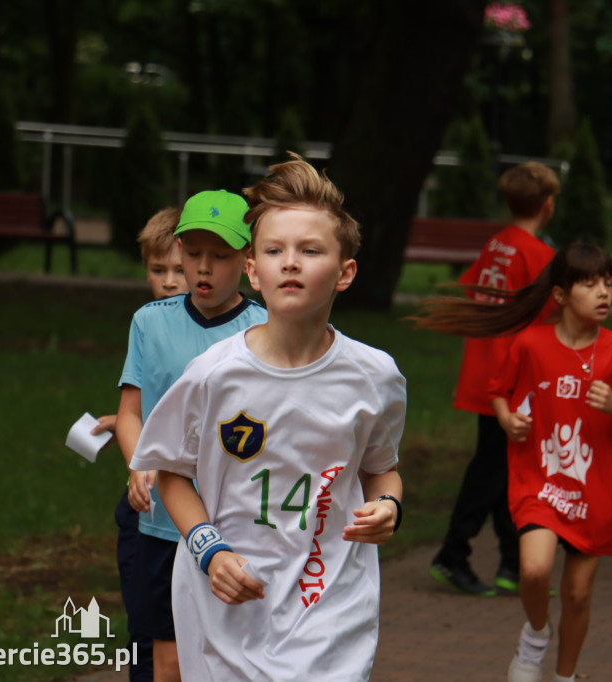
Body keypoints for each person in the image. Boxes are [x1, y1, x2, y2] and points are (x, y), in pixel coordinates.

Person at [129, 155, 406, 681]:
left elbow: (380, 468)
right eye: (275, 250)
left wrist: (389, 504)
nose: (291, 262)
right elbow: (170, 472)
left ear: (345, 272)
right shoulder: (212, 375)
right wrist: (210, 552)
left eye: (311, 250)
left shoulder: (376, 376)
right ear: (254, 270)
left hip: (331, 602)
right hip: (228, 601)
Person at [412, 242, 612, 682]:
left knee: (579, 594)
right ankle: (536, 635)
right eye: (590, 284)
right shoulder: (530, 344)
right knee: (534, 569)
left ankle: (564, 676)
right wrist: (508, 421)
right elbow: (499, 390)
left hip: (596, 488)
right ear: (561, 296)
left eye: (608, 283)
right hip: (540, 480)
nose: (604, 293)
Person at [115, 189, 268, 682]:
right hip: (163, 526)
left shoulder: (266, 328)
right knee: (170, 662)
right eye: (193, 253)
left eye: (220, 256)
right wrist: (140, 462)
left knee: (237, 657)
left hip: (240, 525)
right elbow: (130, 413)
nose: (203, 268)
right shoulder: (149, 322)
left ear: (248, 260)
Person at [430, 161, 561, 597]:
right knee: (492, 470)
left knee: (506, 468)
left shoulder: (499, 244)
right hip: (509, 383)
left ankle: (512, 562)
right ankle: (453, 554)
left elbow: (474, 288)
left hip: (485, 370)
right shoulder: (538, 255)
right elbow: (551, 319)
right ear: (548, 205)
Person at [89, 206, 188, 682]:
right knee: (147, 633)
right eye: (157, 270)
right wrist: (131, 436)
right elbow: (139, 403)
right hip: (148, 509)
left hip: (204, 510)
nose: (169, 281)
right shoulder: (150, 325)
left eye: (179, 269)